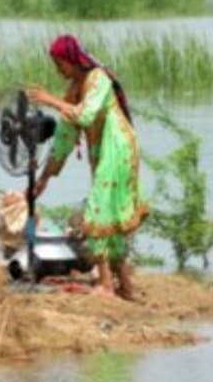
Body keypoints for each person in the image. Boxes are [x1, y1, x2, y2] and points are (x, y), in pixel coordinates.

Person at [27, 34, 147, 299]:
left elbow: (86, 114)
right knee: (111, 216)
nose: (59, 71)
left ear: (72, 60)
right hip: (102, 152)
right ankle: (125, 286)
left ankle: (106, 285)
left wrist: (51, 101)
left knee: (99, 211)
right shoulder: (73, 91)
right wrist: (44, 178)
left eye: (61, 65)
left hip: (119, 149)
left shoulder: (98, 79)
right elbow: (64, 140)